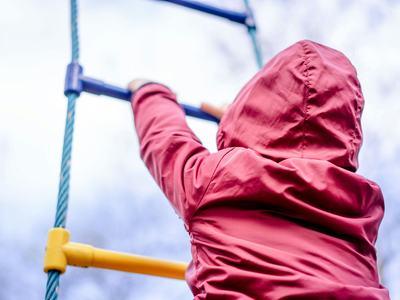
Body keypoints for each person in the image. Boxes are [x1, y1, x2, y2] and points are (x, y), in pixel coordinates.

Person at [128, 40, 390, 299]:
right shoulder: (359, 208)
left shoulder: (215, 180)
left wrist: (149, 91)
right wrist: (240, 124)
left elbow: (167, 140)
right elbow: (306, 133)